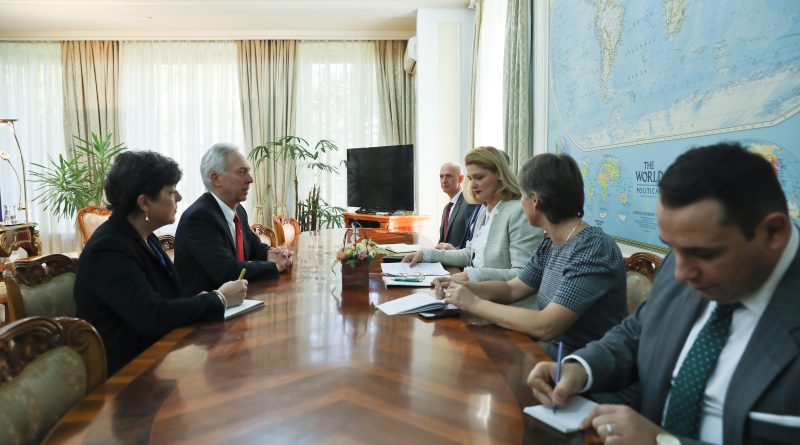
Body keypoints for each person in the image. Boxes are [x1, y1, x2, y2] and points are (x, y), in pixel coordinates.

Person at [527, 143, 800, 445]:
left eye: (703, 254)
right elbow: (637, 332)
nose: (680, 274)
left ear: (773, 233)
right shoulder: (685, 261)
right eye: (673, 248)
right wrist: (579, 369)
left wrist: (663, 442)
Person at [435, 153, 626, 358]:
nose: (520, 202)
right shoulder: (551, 242)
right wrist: (461, 287)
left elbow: (547, 326)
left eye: (522, 195)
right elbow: (512, 289)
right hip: (553, 356)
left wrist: (474, 303)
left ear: (534, 200)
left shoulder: (593, 249)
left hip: (582, 366)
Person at [74, 151, 247, 374]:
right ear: (144, 202)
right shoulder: (108, 249)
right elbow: (152, 315)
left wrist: (198, 299)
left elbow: (168, 298)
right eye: (171, 192)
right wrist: (219, 299)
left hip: (161, 354)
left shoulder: (146, 237)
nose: (179, 198)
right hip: (127, 373)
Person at [403, 146, 543, 282]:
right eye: (470, 178)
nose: (472, 185)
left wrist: (472, 275)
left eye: (479, 177)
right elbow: (470, 253)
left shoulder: (519, 212)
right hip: (476, 291)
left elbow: (524, 276)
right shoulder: (484, 210)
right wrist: (427, 254)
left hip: (496, 296)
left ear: (500, 176)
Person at [174, 143, 292, 294]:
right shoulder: (199, 218)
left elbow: (254, 247)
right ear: (216, 179)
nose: (250, 179)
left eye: (248, 171)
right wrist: (274, 266)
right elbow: (226, 271)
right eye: (242, 172)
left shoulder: (238, 210)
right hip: (208, 305)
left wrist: (276, 254)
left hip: (239, 298)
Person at [437, 162, 480, 249]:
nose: (444, 180)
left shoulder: (469, 202)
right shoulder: (447, 208)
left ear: (461, 179)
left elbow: (470, 240)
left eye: (448, 176)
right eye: (441, 176)